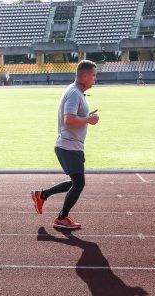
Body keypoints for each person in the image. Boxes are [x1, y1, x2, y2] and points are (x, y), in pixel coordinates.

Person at [30, 59, 100, 230]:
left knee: (75, 182)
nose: (95, 79)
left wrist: (86, 117)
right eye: (93, 75)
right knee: (79, 183)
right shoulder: (74, 93)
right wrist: (88, 120)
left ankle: (42, 195)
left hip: (71, 146)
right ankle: (62, 218)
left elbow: (74, 117)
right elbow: (68, 119)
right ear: (84, 75)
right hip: (68, 146)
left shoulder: (76, 92)